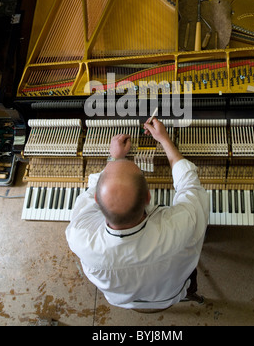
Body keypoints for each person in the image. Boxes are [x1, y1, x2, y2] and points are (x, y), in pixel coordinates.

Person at [65, 118, 209, 311]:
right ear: (149, 197)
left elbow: (92, 192)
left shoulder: (79, 237)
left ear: (97, 202)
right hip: (170, 295)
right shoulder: (181, 227)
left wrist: (114, 159)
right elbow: (190, 186)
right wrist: (165, 140)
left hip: (123, 300)